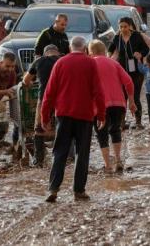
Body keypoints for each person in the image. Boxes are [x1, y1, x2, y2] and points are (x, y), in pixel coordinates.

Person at [42, 37, 105, 203]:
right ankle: (79, 191)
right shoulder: (91, 63)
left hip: (63, 115)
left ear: (70, 48)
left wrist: (44, 116)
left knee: (59, 152)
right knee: (82, 153)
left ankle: (53, 189)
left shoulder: (61, 63)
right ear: (84, 48)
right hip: (84, 115)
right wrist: (101, 115)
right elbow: (98, 91)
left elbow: (49, 92)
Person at [89, 40, 134, 173]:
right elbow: (129, 82)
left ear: (91, 53)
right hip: (118, 104)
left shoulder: (90, 64)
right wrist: (131, 100)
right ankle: (119, 160)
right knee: (115, 131)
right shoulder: (114, 63)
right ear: (104, 51)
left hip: (99, 105)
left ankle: (108, 165)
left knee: (101, 134)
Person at [22, 44, 61, 166]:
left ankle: (38, 160)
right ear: (57, 52)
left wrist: (32, 82)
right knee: (62, 126)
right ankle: (63, 158)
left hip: (44, 98)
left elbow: (26, 80)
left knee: (39, 128)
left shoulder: (38, 61)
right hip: (61, 99)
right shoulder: (62, 60)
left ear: (45, 53)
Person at [108, 17, 149, 128]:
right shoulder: (117, 37)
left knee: (135, 96)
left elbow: (146, 49)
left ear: (130, 26)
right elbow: (110, 49)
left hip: (136, 71)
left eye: (125, 26)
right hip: (121, 71)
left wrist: (140, 54)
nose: (123, 29)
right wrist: (110, 58)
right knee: (123, 97)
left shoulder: (137, 36)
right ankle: (122, 122)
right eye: (121, 27)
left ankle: (138, 122)